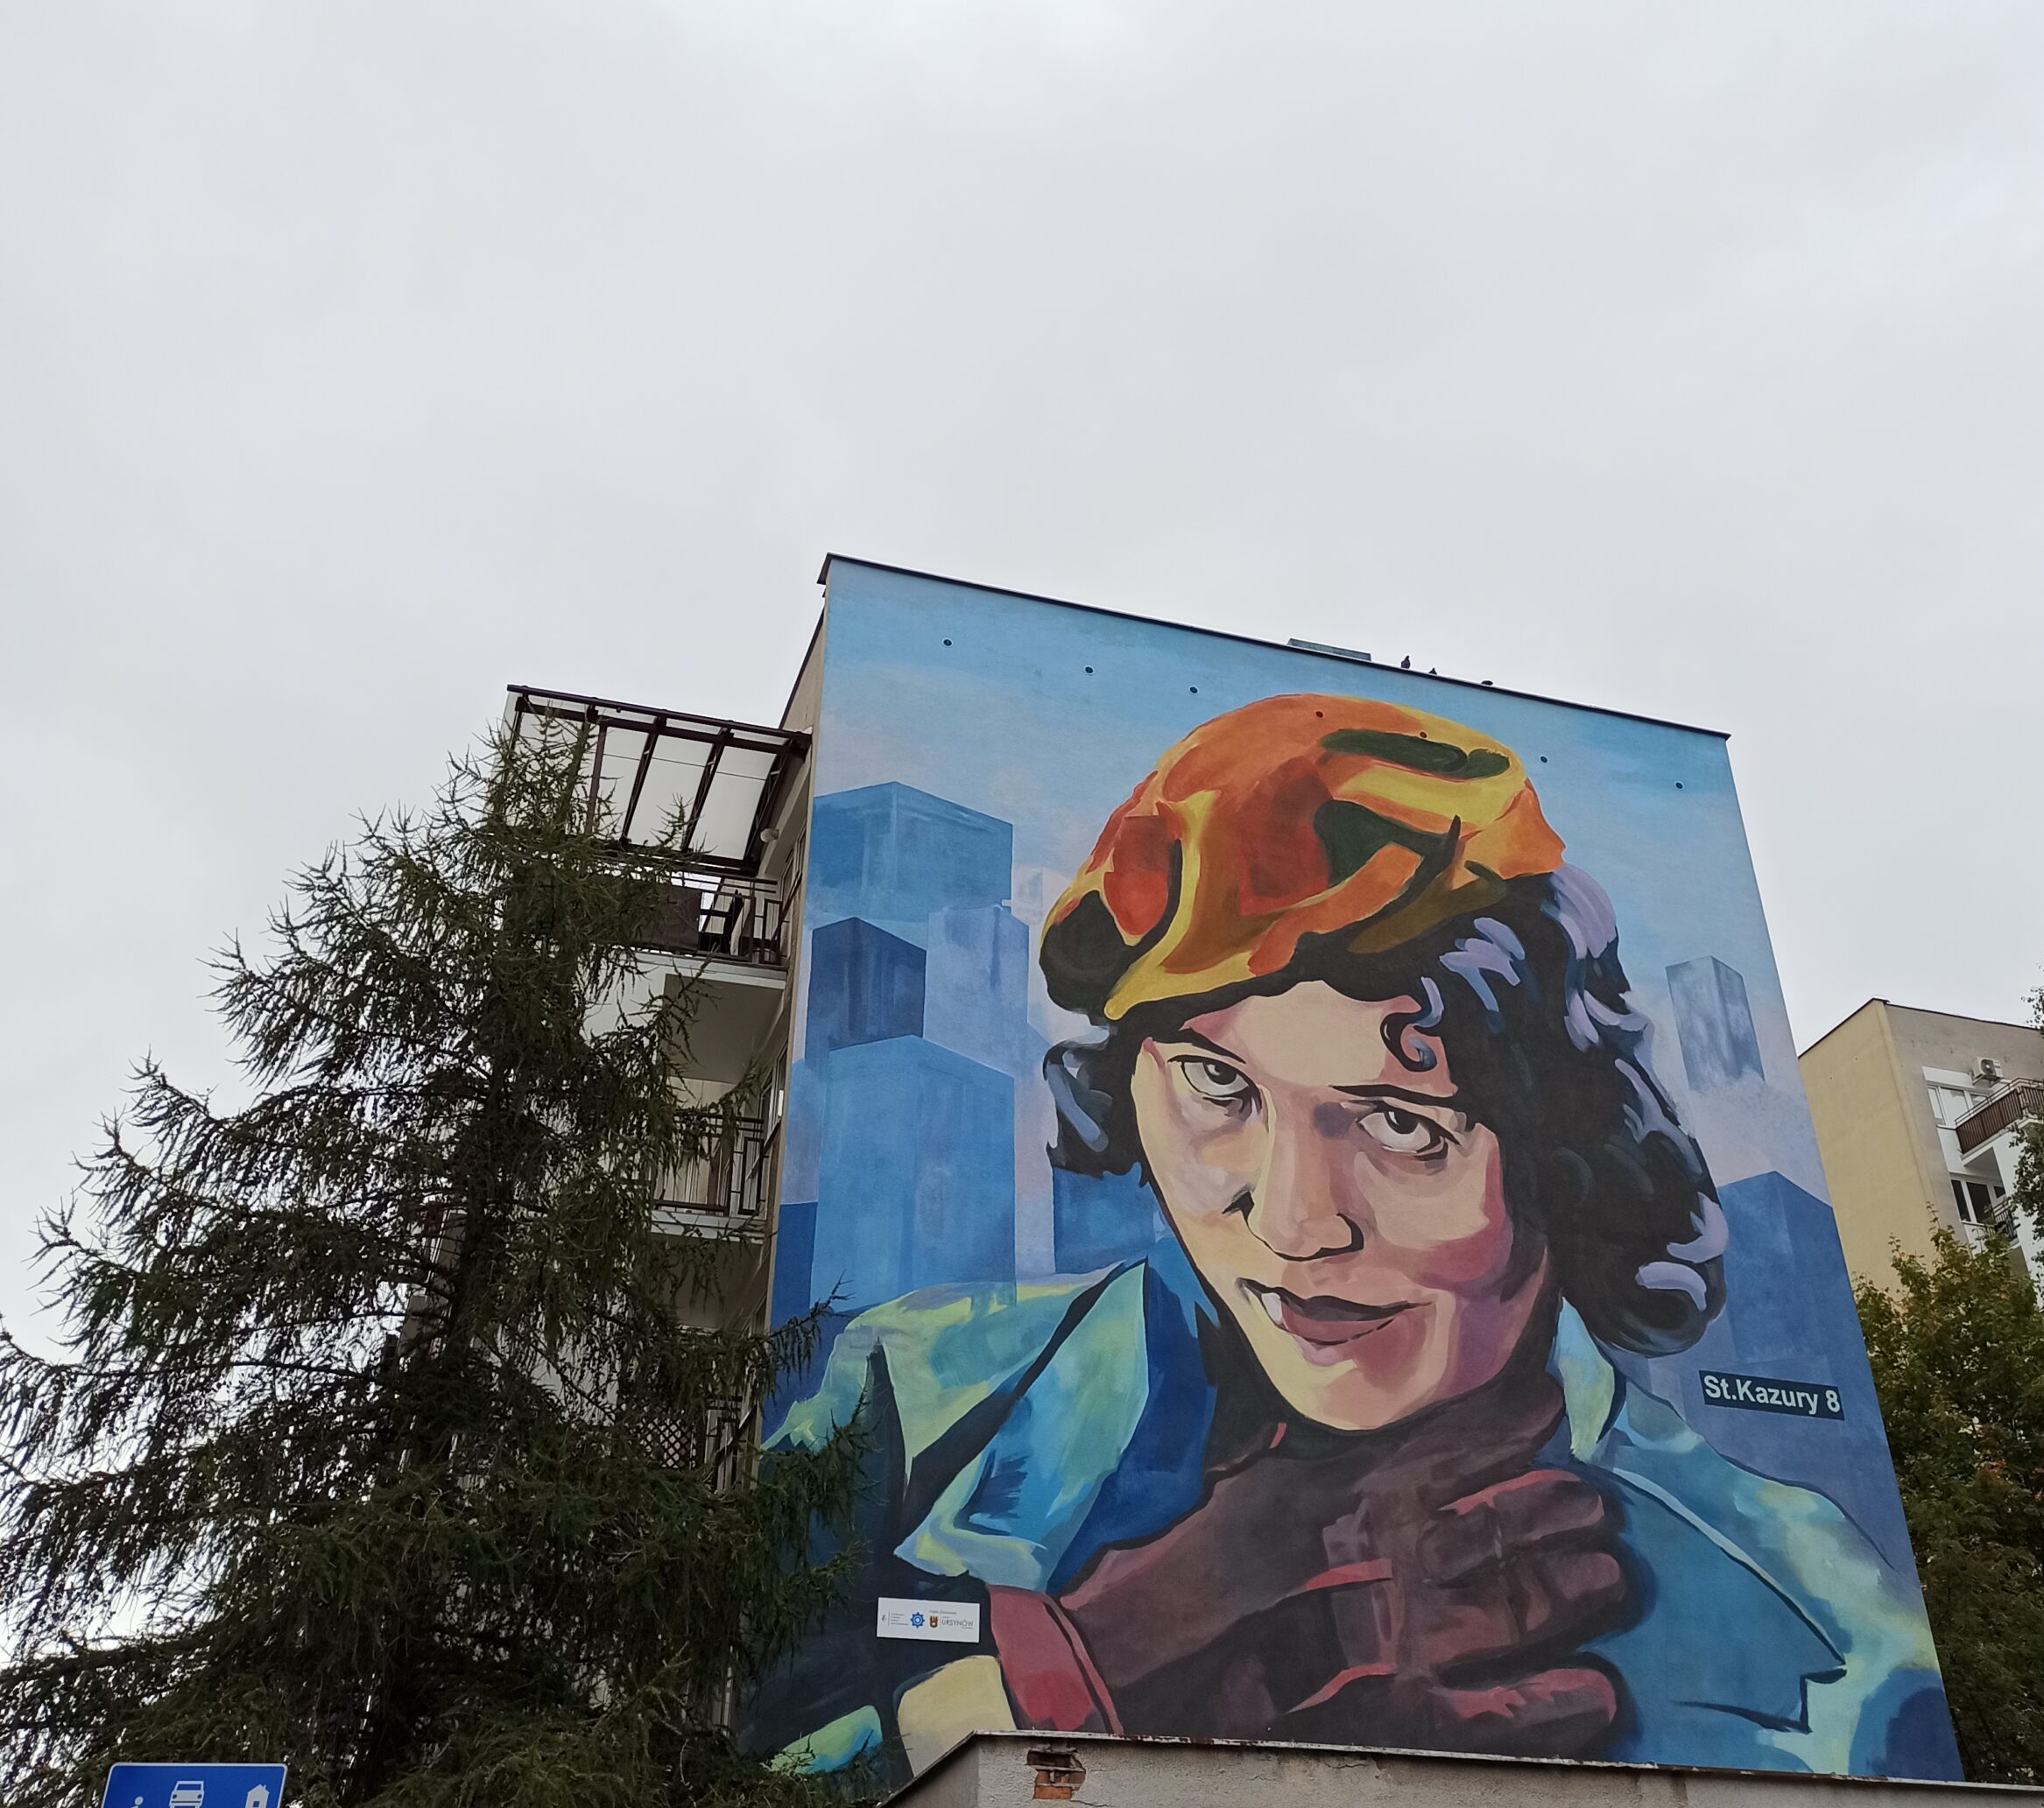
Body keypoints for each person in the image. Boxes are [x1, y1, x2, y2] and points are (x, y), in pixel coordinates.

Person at [751, 697, 1956, 1786]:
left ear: (1563, 1151)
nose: (1292, 1223)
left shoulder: (1830, 1644)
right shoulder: (907, 1396)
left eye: (1402, 1124)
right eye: (1218, 1086)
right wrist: (1103, 1652)